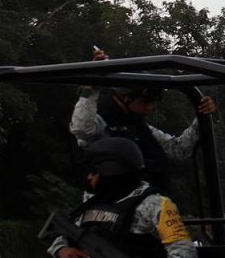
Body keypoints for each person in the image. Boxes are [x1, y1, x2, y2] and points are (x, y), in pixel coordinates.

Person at [25, 138, 199, 258]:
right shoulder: (91, 202)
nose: (89, 178)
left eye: (95, 172)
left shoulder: (156, 204)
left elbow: (186, 252)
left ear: (112, 172)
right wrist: (61, 250)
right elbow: (66, 233)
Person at [70, 48, 217, 190]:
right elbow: (81, 128)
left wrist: (201, 115)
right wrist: (92, 86)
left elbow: (177, 149)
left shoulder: (139, 127)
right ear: (124, 97)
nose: (149, 108)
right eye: (145, 101)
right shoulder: (100, 124)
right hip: (113, 208)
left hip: (147, 204)